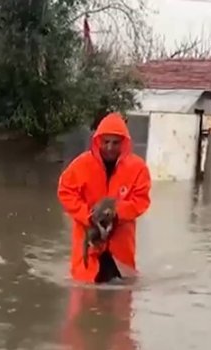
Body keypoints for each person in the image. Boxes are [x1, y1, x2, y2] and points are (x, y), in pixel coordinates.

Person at [57, 112, 152, 284]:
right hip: (88, 240)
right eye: (106, 142)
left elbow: (141, 201)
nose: (109, 147)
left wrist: (116, 214)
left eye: (115, 143)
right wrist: (87, 215)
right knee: (83, 289)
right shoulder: (80, 165)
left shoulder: (138, 168)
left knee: (122, 291)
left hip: (121, 247)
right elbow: (66, 192)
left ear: (124, 143)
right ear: (98, 141)